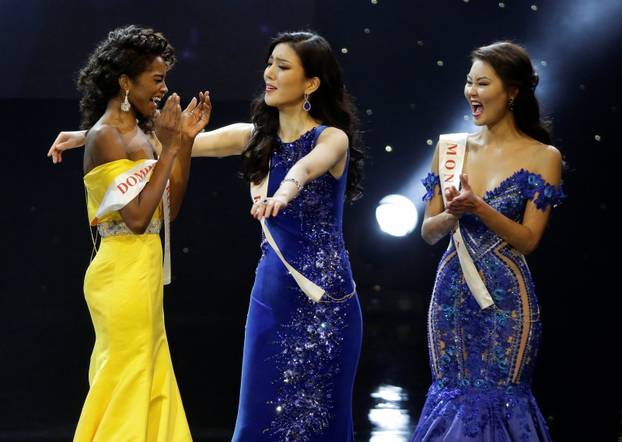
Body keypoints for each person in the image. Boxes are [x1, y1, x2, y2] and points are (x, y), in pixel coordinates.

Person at [48, 30, 363, 441]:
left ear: (311, 83)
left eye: (282, 67)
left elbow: (305, 168)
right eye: (269, 63)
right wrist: (84, 136)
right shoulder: (253, 138)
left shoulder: (331, 137)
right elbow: (169, 147)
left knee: (323, 412)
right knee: (259, 411)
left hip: (326, 296)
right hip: (273, 291)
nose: (269, 72)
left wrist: (283, 192)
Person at [414, 41, 564, 441]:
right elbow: (429, 232)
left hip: (507, 298)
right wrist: (454, 212)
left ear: (512, 91)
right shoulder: (450, 149)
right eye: (469, 82)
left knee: (502, 395)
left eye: (483, 83)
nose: (472, 92)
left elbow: (529, 240)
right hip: (451, 292)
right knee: (452, 391)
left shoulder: (543, 156)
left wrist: (480, 208)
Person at [66, 25, 209, 441]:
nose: (163, 90)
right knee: (127, 377)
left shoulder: (144, 135)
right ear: (126, 81)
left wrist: (180, 145)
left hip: (144, 270)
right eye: (157, 79)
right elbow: (135, 218)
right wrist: (168, 145)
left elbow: (167, 212)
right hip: (120, 274)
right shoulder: (105, 136)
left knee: (149, 376)